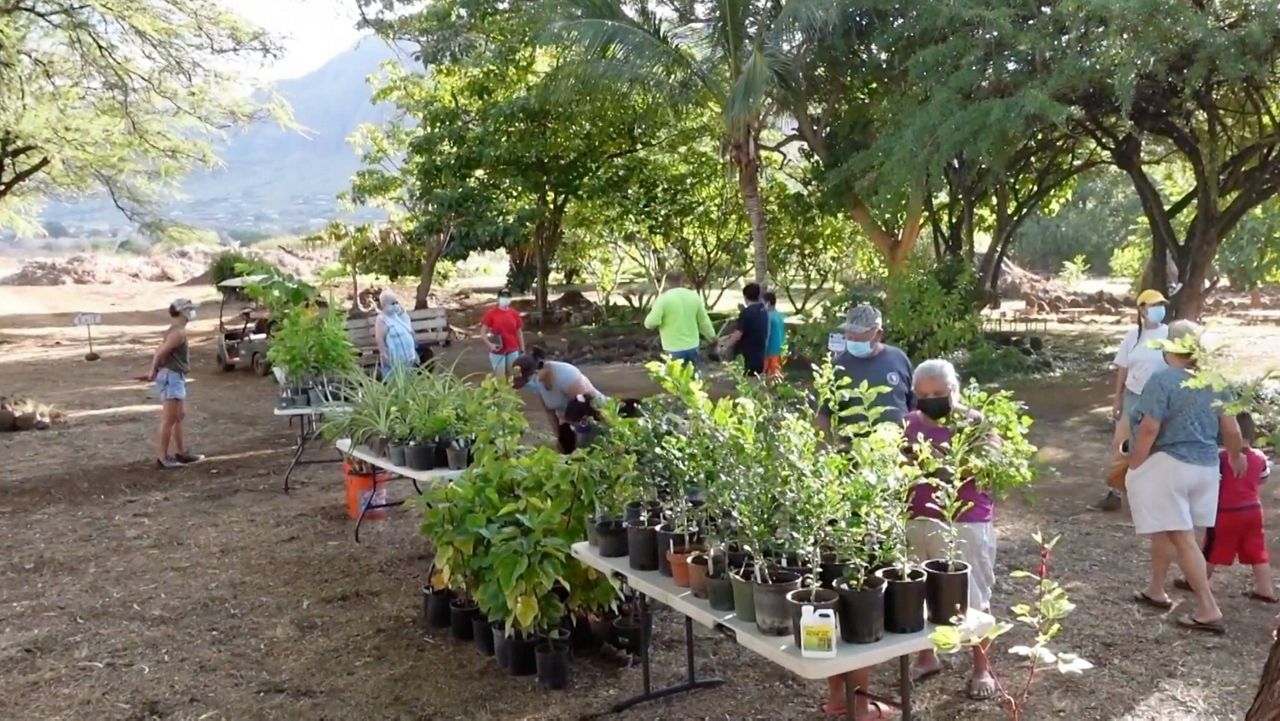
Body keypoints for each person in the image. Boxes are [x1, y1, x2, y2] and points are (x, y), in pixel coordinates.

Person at [1126, 320, 1246, 634]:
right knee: (1172, 529)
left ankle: (1208, 607)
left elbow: (1150, 427)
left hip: (1171, 463)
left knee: (1180, 536)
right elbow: (1232, 428)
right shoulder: (1215, 380)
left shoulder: (1163, 380)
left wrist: (1135, 461)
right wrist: (1235, 455)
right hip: (1207, 467)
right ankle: (1156, 589)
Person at [903, 359, 998, 700]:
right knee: (918, 592)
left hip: (966, 521)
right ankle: (927, 656)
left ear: (953, 390)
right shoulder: (907, 424)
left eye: (938, 393)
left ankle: (981, 667)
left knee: (972, 596)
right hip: (917, 518)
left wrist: (946, 465)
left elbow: (990, 465)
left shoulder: (975, 423)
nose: (930, 400)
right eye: (923, 394)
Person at [1173, 412, 1276, 602]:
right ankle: (1265, 589)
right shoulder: (1260, 457)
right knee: (1256, 549)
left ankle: (1196, 580)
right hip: (1253, 510)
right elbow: (1263, 479)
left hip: (1226, 511)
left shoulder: (1221, 457)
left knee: (1212, 548)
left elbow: (1210, 480)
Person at [1093, 289, 1170, 511]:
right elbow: (1123, 368)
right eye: (1154, 305)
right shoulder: (1132, 336)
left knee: (1155, 444)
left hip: (1158, 399)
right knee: (1122, 443)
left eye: (1161, 304)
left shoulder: (1169, 334)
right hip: (1132, 396)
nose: (1158, 309)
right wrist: (1117, 399)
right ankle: (1115, 492)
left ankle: (1154, 495)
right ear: (1142, 309)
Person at [816, 304, 914, 438]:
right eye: (850, 335)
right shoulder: (837, 367)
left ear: (878, 334)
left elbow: (913, 403)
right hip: (856, 450)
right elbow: (822, 414)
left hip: (899, 447)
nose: (852, 340)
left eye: (859, 336)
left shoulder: (898, 359)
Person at [147, 298, 205, 469]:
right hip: (172, 376)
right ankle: (162, 458)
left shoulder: (177, 331)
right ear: (182, 311)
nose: (192, 312)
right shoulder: (178, 333)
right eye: (189, 309)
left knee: (178, 416)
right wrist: (153, 371)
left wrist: (155, 371)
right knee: (169, 419)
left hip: (175, 376)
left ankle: (181, 452)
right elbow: (160, 353)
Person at [511, 348, 606, 434]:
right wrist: (560, 438)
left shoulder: (566, 374)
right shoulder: (539, 383)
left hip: (598, 415)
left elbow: (585, 406)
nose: (528, 385)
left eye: (527, 380)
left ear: (536, 372)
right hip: (575, 423)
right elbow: (550, 412)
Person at [643, 279, 717, 367]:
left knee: (675, 378)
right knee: (694, 377)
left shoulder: (663, 299)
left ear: (666, 283)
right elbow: (704, 321)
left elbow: (650, 323)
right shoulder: (693, 296)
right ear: (682, 281)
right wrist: (712, 337)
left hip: (673, 348)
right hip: (693, 346)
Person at [722, 282, 769, 375]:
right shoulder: (763, 311)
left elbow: (738, 334)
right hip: (760, 356)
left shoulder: (746, 313)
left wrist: (726, 346)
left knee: (744, 383)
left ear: (745, 296)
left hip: (747, 357)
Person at [481, 289, 524, 378]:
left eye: (507, 297)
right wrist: (490, 345)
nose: (505, 299)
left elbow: (519, 332)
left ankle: (509, 392)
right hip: (498, 350)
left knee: (511, 377)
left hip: (513, 349)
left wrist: (522, 349)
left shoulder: (514, 313)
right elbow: (482, 332)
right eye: (503, 297)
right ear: (498, 298)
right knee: (500, 379)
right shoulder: (491, 314)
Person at [375, 290, 418, 378]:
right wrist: (384, 354)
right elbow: (380, 339)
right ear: (383, 305)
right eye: (392, 303)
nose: (395, 305)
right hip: (395, 363)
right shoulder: (382, 320)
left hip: (409, 358)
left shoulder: (398, 314)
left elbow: (407, 326)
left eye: (396, 302)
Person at [763, 290, 786, 379]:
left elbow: (767, 333)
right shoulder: (780, 315)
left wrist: (763, 347)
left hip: (770, 348)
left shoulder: (767, 316)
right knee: (777, 372)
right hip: (780, 347)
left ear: (767, 303)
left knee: (767, 374)